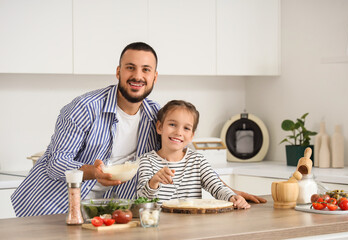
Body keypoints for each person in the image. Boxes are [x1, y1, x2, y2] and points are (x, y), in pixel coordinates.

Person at [11, 42, 265, 217]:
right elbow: (55, 164)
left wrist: (226, 192)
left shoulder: (157, 116)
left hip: (112, 210)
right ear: (119, 72)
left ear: (155, 77)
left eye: (146, 69)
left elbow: (183, 158)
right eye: (130, 68)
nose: (137, 76)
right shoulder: (84, 108)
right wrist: (94, 172)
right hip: (54, 206)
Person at [137, 100, 251, 209]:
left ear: (192, 136)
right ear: (159, 127)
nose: (178, 132)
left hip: (192, 226)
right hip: (159, 226)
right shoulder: (146, 161)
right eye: (172, 124)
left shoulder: (197, 161)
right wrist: (153, 182)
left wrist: (232, 197)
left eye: (186, 128)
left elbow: (217, 187)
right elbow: (141, 201)